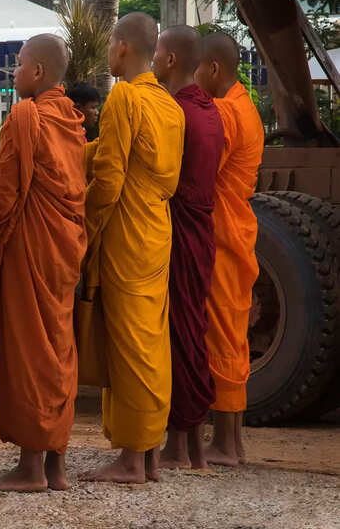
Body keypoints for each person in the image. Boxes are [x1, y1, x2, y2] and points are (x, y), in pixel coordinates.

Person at [80, 12, 185, 484]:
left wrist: (86, 225)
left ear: (122, 47)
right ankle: (148, 455)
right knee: (151, 337)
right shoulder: (170, 107)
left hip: (125, 228)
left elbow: (109, 176)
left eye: (110, 44)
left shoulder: (125, 96)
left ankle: (130, 459)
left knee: (129, 343)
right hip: (156, 228)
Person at [0, 34, 87, 492]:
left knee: (30, 350)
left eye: (19, 65)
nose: (13, 72)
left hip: (30, 247)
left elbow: (2, 194)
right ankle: (56, 466)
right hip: (64, 249)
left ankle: (29, 468)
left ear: (38, 73)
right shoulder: (74, 121)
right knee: (59, 347)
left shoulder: (25, 117)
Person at [152, 25, 223, 470]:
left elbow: (162, 177)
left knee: (177, 334)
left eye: (157, 53)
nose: (154, 61)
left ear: (171, 60)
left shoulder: (176, 113)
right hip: (202, 231)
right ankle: (193, 444)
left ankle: (178, 445)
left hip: (179, 230)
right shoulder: (211, 110)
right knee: (191, 331)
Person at [194, 31, 264, 467]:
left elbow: (203, 173)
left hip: (221, 230)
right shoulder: (246, 107)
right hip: (238, 227)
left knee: (220, 331)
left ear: (213, 69)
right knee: (231, 333)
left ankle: (223, 442)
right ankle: (231, 442)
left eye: (195, 69)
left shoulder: (224, 112)